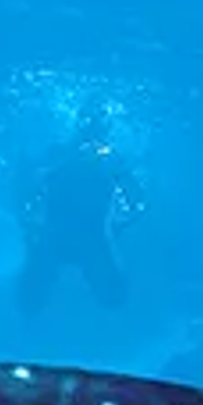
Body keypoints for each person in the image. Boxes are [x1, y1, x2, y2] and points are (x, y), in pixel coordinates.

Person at [16, 104, 141, 316]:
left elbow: (135, 200)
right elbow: (135, 201)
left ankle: (30, 311)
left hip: (76, 235)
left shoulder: (110, 160)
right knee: (32, 294)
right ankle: (30, 312)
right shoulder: (63, 154)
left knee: (114, 296)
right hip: (78, 236)